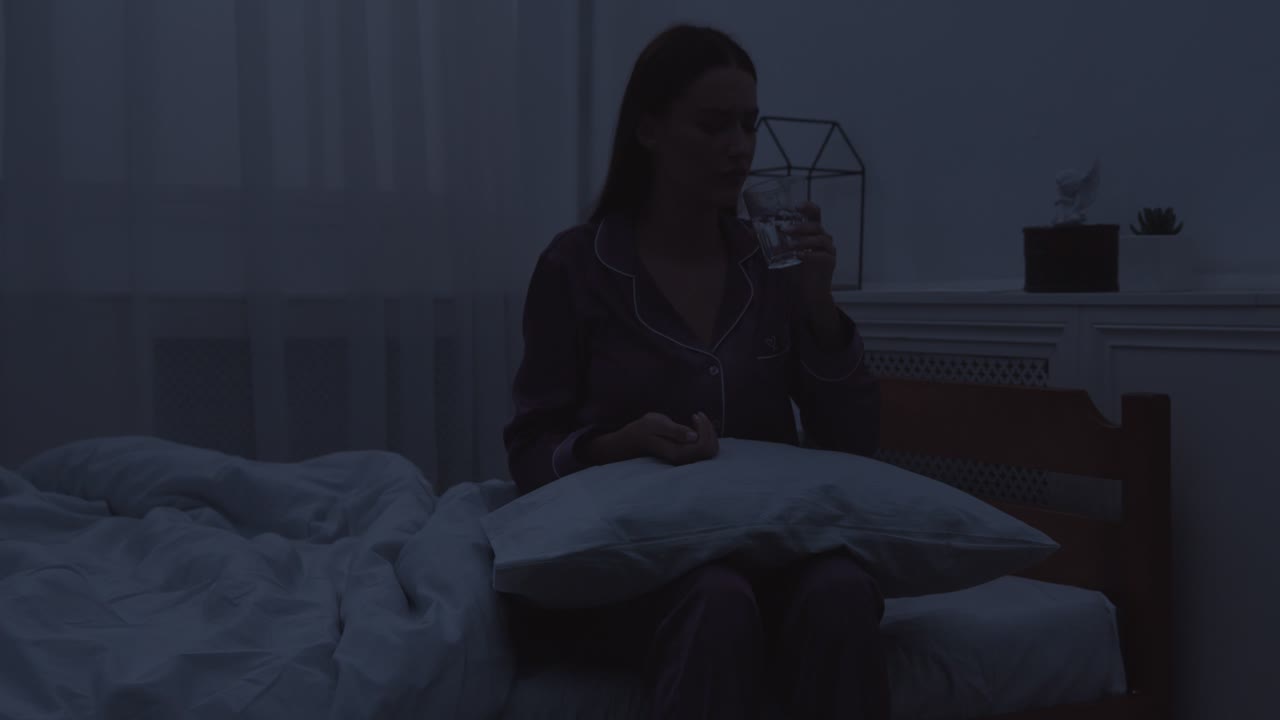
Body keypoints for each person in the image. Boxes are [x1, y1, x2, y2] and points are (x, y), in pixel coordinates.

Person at [501, 24, 889, 720]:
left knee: (842, 590)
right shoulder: (577, 267)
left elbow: (853, 444)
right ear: (649, 129)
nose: (739, 146)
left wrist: (820, 309)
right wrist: (617, 445)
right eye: (713, 125)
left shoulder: (770, 267)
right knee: (717, 599)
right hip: (635, 556)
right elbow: (529, 448)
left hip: (765, 542)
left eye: (748, 124)